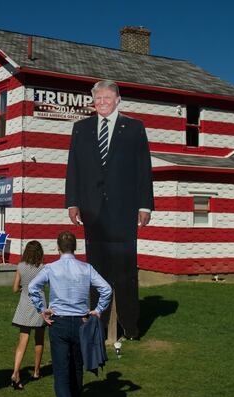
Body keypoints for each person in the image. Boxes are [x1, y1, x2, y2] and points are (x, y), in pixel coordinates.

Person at [65, 79, 154, 340]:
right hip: (92, 210)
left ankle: (130, 326)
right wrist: (72, 201)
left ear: (118, 100)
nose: (102, 102)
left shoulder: (134, 128)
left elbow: (143, 169)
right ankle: (98, 324)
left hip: (125, 210)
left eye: (107, 98)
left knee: (126, 271)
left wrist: (144, 204)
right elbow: (74, 168)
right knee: (95, 271)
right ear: (93, 101)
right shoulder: (81, 129)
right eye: (98, 98)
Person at [28, 231, 112, 397]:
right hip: (82, 322)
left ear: (58, 248)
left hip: (59, 322)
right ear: (75, 247)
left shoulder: (51, 268)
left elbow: (32, 287)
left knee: (61, 369)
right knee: (76, 366)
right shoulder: (86, 268)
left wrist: (42, 309)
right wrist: (98, 311)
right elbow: (107, 289)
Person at [9, 240, 46, 389]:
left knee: (22, 341)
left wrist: (23, 289)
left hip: (24, 304)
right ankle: (37, 371)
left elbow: (14, 288)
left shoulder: (20, 266)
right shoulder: (43, 268)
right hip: (39, 306)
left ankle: (16, 371)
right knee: (39, 339)